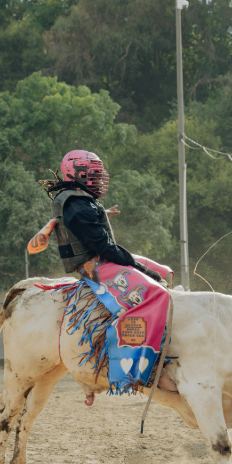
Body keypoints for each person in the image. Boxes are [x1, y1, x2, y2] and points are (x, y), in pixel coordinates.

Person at [40, 150, 171, 395]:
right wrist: (141, 269)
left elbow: (90, 227)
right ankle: (140, 365)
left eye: (99, 175)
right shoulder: (77, 205)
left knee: (164, 272)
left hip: (103, 258)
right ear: (77, 174)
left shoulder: (81, 199)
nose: (99, 180)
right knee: (157, 293)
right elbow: (103, 246)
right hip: (97, 266)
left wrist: (104, 214)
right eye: (93, 175)